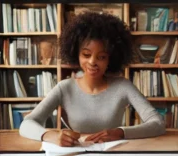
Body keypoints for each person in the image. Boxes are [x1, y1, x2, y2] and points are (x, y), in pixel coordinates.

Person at [19, 11, 164, 145]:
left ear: (110, 59)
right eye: (86, 55)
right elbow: (26, 124)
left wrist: (120, 132)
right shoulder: (65, 88)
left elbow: (157, 123)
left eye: (101, 57)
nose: (92, 62)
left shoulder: (123, 86)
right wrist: (51, 136)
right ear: (76, 54)